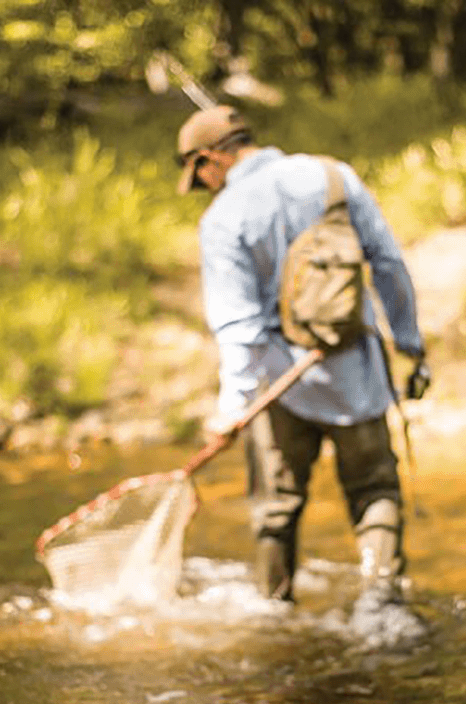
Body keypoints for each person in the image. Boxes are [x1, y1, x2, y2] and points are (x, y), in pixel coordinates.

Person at [175, 105, 430, 612]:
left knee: (275, 510)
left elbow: (240, 330)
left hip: (280, 390)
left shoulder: (223, 219)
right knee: (375, 489)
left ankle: (275, 610)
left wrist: (231, 410)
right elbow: (388, 264)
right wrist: (409, 342)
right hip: (357, 371)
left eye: (199, 177)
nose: (205, 188)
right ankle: (381, 608)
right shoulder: (335, 177)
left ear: (210, 160)